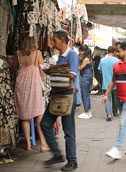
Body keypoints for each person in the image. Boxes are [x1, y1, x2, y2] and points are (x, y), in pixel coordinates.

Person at [41, 31, 79, 171]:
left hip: (67, 96)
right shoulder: (61, 57)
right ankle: (57, 154)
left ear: (63, 41)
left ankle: (72, 161)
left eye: (55, 40)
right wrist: (52, 70)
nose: (53, 43)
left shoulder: (71, 55)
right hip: (57, 95)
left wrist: (54, 70)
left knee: (69, 130)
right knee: (44, 123)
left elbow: (72, 75)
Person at [14, 36, 48, 152]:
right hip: (34, 84)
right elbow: (42, 70)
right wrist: (42, 81)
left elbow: (14, 68)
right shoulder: (37, 53)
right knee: (38, 113)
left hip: (21, 84)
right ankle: (43, 144)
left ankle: (28, 144)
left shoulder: (18, 53)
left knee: (25, 116)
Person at [98, 46, 119, 121]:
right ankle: (115, 112)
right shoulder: (117, 60)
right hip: (115, 84)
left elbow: (100, 71)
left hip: (106, 84)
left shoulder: (102, 60)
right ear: (114, 52)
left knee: (107, 99)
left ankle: (109, 114)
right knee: (115, 99)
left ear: (107, 51)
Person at [77, 44, 93, 119]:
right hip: (87, 75)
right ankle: (88, 111)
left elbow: (80, 68)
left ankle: (87, 112)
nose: (79, 52)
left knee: (85, 94)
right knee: (86, 94)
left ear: (83, 51)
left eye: (80, 51)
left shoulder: (86, 59)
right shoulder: (88, 57)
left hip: (86, 76)